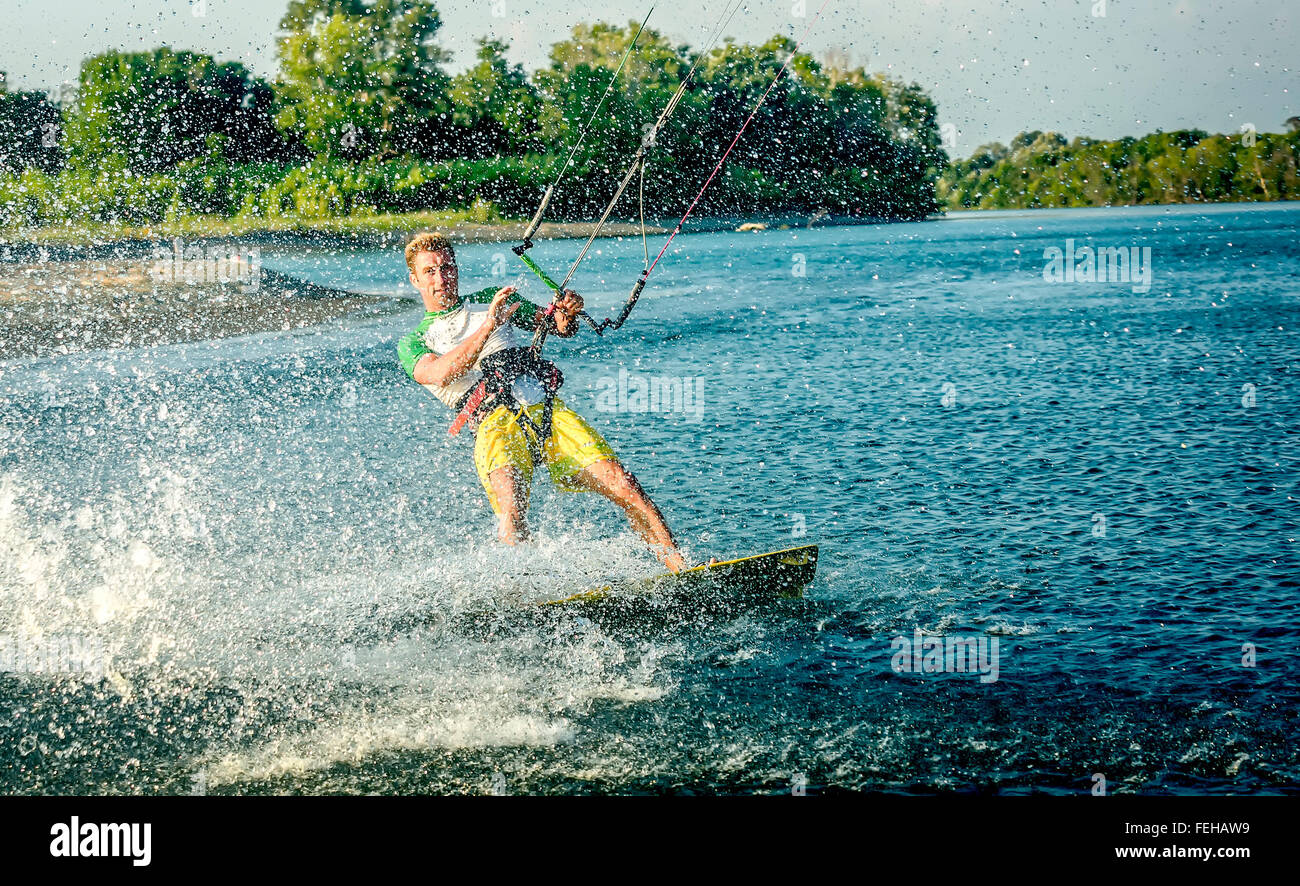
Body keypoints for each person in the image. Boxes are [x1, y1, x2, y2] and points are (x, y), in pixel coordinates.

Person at [396, 231, 686, 571]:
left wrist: (567, 312)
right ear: (415, 279)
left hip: (546, 410)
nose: (441, 277)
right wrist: (489, 325)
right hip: (493, 426)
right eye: (430, 271)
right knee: (512, 513)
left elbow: (559, 327)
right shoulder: (414, 341)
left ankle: (678, 566)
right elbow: (441, 372)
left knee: (623, 483)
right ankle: (521, 593)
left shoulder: (492, 299)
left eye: (447, 267)